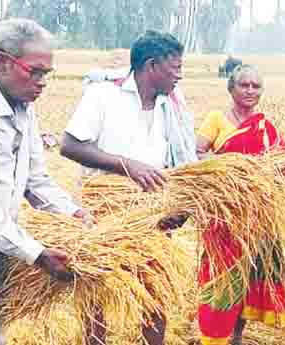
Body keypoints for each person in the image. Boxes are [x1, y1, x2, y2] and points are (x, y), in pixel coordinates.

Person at [60, 30, 197, 345]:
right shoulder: (103, 95)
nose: (180, 75)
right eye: (174, 68)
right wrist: (128, 165)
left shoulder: (173, 104)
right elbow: (69, 145)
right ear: (151, 66)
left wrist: (180, 206)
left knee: (154, 291)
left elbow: (180, 157)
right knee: (97, 291)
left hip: (153, 216)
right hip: (106, 212)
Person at [0, 18, 88, 345]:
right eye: (33, 71)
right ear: (2, 62)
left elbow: (36, 181)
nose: (41, 82)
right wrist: (36, 254)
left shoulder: (24, 108)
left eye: (45, 75)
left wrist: (73, 214)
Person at [196, 64, 285, 345]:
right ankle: (214, 336)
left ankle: (237, 336)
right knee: (220, 276)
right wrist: (230, 169)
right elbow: (197, 153)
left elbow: (282, 162)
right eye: (244, 85)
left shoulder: (264, 126)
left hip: (256, 216)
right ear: (231, 88)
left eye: (255, 86)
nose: (250, 91)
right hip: (223, 214)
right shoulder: (216, 119)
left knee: (247, 276)